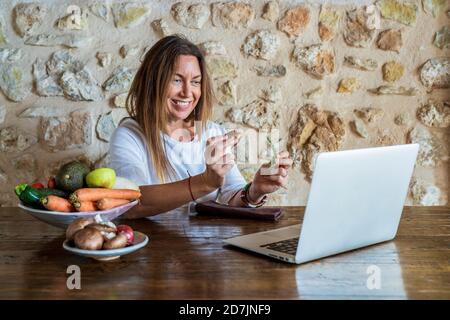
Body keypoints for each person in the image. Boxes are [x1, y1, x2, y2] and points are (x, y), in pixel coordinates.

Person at [109, 35, 292, 219]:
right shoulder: (130, 135)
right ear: (153, 82)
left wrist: (254, 191)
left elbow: (231, 194)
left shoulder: (211, 131)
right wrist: (204, 183)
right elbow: (131, 203)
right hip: (157, 245)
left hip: (208, 244)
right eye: (177, 80)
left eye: (195, 82)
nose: (188, 92)